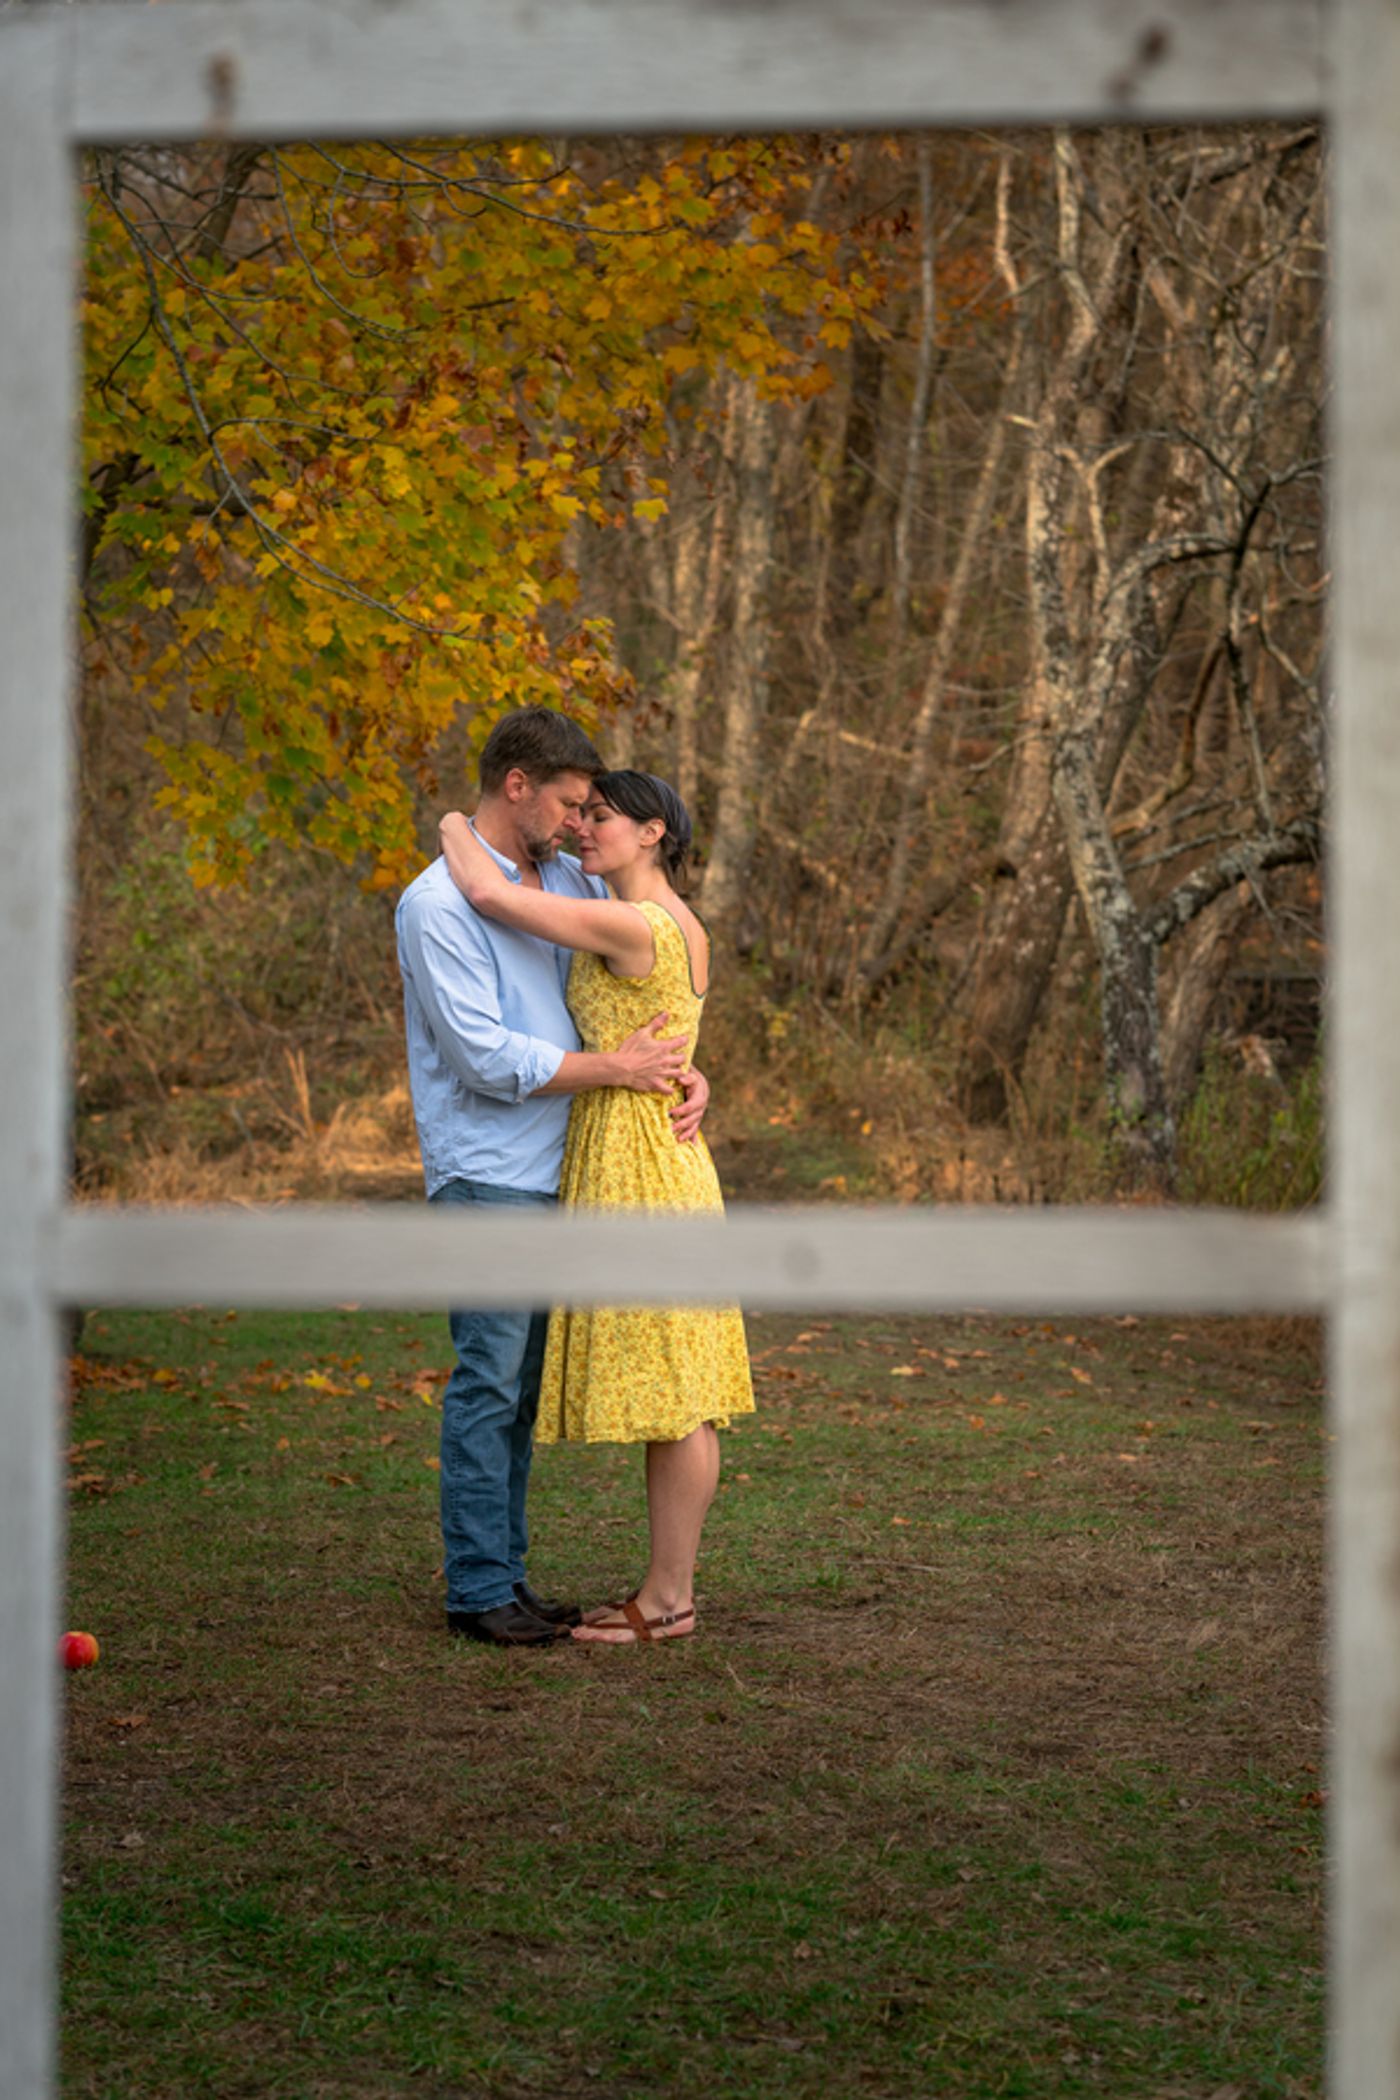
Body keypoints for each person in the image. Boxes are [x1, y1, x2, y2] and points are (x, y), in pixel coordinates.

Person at [396, 709, 708, 1648]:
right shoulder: (438, 904)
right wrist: (619, 1069)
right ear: (519, 787)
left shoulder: (570, 878)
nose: (582, 823)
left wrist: (688, 1067)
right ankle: (480, 1590)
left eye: (594, 809)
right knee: (489, 1380)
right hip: (490, 1167)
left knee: (520, 1390)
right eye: (572, 803)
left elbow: (650, 978)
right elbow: (486, 1056)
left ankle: (506, 1574)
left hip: (575, 1166)